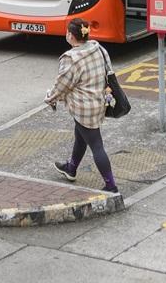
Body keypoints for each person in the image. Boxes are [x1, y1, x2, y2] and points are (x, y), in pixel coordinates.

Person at [45, 17, 119, 194]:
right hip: (100, 102)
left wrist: (50, 98)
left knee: (96, 145)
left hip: (83, 108)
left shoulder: (72, 59)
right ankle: (71, 168)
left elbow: (62, 85)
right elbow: (109, 70)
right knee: (81, 136)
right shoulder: (98, 48)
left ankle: (111, 186)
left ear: (70, 35)